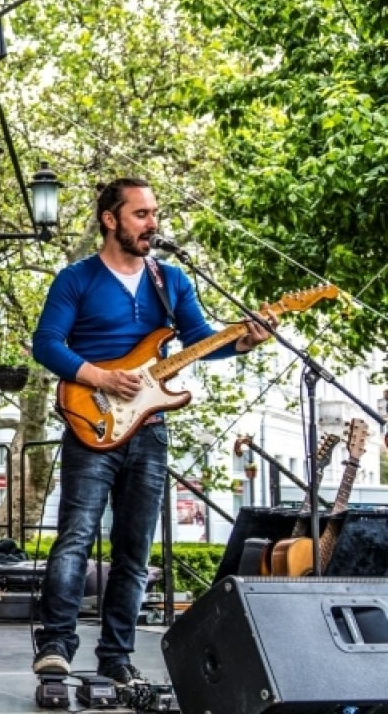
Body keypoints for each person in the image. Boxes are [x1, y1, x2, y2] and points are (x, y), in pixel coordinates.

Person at [30, 177, 272, 686]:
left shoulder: (171, 280)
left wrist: (244, 342)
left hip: (150, 428)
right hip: (92, 422)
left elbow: (201, 340)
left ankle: (116, 656)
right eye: (140, 214)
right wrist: (100, 377)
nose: (152, 223)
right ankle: (55, 646)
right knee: (75, 539)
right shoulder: (77, 279)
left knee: (135, 552)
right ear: (110, 219)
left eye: (154, 213)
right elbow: (46, 344)